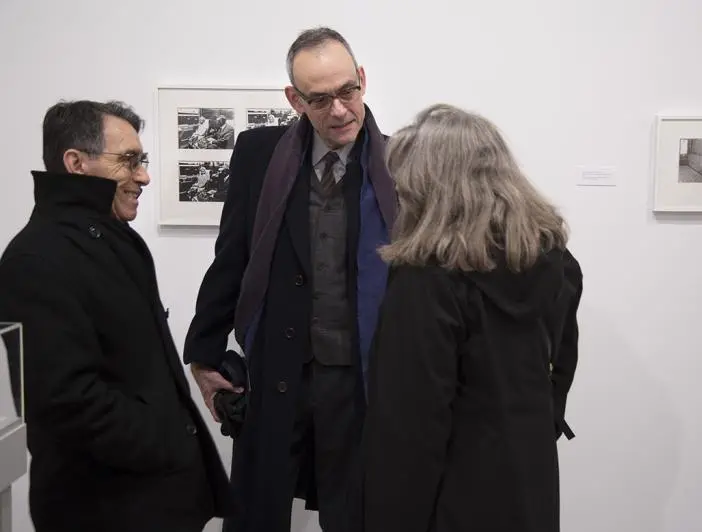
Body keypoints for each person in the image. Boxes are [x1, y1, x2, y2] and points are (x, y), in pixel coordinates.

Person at [183, 27, 396, 532]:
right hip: (277, 372)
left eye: (348, 92)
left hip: (361, 379)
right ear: (294, 99)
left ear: (362, 80)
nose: (340, 110)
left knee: (360, 515)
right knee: (259, 515)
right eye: (320, 100)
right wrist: (203, 353)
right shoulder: (259, 154)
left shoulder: (399, 163)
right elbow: (231, 256)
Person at [0, 100, 235, 532]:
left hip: (154, 500)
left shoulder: (113, 241)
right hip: (105, 509)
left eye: (141, 160)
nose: (143, 175)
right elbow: (66, 402)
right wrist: (167, 441)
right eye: (128, 161)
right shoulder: (36, 259)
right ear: (76, 163)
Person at [361, 103, 583, 532]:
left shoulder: (425, 281)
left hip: (449, 500)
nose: (401, 193)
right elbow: (559, 374)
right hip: (527, 486)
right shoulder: (556, 261)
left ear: (432, 187)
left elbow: (410, 429)